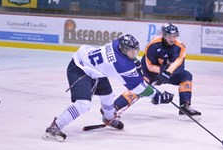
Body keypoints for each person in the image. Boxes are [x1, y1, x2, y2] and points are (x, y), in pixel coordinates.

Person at [43, 34, 174, 142]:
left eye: (135, 51)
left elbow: (130, 62)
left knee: (108, 95)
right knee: (83, 104)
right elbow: (137, 87)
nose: (134, 53)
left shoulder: (118, 44)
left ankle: (108, 118)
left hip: (95, 69)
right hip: (80, 69)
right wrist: (157, 96)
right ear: (123, 50)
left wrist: (134, 63)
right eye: (132, 51)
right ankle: (55, 127)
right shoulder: (120, 65)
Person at [114, 23, 201, 119]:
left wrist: (167, 73)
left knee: (186, 76)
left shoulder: (180, 47)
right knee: (139, 88)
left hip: (166, 73)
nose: (172, 38)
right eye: (169, 35)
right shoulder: (153, 45)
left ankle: (185, 106)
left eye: (174, 35)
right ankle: (115, 107)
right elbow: (149, 65)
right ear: (163, 34)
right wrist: (161, 71)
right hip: (149, 73)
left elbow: (178, 64)